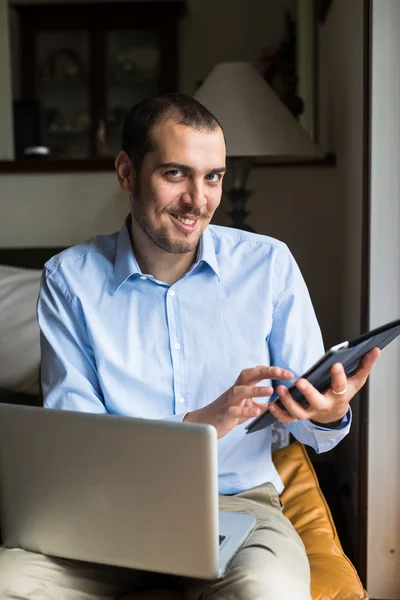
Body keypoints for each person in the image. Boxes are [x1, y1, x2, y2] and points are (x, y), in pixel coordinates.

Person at [0, 93, 379, 600]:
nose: (198, 199)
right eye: (176, 174)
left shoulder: (268, 266)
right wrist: (204, 423)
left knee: (267, 591)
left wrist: (329, 412)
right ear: (127, 174)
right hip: (107, 515)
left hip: (239, 506)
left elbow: (313, 430)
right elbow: (80, 447)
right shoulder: (69, 281)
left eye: (213, 177)